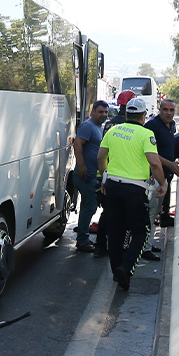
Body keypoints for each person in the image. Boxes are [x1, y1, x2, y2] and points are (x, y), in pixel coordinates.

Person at [97, 96, 166, 291]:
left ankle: (116, 271)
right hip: (135, 189)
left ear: (126, 113)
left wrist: (104, 178)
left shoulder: (112, 130)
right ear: (144, 116)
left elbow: (101, 157)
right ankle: (126, 269)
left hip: (112, 186)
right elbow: (154, 162)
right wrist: (162, 183)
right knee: (141, 231)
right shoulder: (146, 134)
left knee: (116, 230)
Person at [73, 100, 110, 252]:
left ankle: (84, 237)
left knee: (89, 206)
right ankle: (82, 240)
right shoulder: (87, 126)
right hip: (85, 174)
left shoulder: (99, 127)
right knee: (90, 206)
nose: (104, 115)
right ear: (92, 111)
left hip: (93, 175)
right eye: (101, 112)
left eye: (106, 112)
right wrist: (82, 166)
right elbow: (77, 144)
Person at [145, 98, 179, 227]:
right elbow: (150, 153)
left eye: (171, 110)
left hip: (167, 173)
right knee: (151, 211)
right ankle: (145, 244)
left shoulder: (172, 125)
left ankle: (164, 218)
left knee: (162, 205)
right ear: (159, 110)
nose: (168, 113)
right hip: (153, 175)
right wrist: (169, 163)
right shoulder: (152, 125)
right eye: (165, 109)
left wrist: (176, 162)